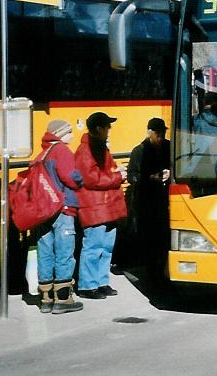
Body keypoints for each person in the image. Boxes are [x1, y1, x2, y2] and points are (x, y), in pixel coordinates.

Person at [75, 112, 127, 299]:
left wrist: (116, 173)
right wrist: (117, 176)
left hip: (106, 206)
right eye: (107, 126)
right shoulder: (86, 150)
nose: (110, 130)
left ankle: (101, 282)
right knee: (93, 246)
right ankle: (87, 286)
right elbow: (91, 178)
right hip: (95, 207)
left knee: (106, 247)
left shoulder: (100, 148)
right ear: (99, 128)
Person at [35, 120, 84, 314]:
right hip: (62, 209)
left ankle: (46, 299)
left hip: (43, 212)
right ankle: (63, 299)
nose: (72, 135)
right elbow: (70, 177)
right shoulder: (61, 150)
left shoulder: (41, 154)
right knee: (64, 252)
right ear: (60, 134)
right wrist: (80, 179)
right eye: (69, 132)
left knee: (45, 252)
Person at [127, 117, 171, 281]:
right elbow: (132, 176)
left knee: (164, 237)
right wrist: (151, 178)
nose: (161, 138)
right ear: (150, 133)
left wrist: (170, 173)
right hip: (147, 202)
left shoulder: (169, 147)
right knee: (150, 238)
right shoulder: (139, 151)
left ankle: (163, 269)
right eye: (158, 134)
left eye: (163, 134)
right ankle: (152, 272)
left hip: (165, 200)